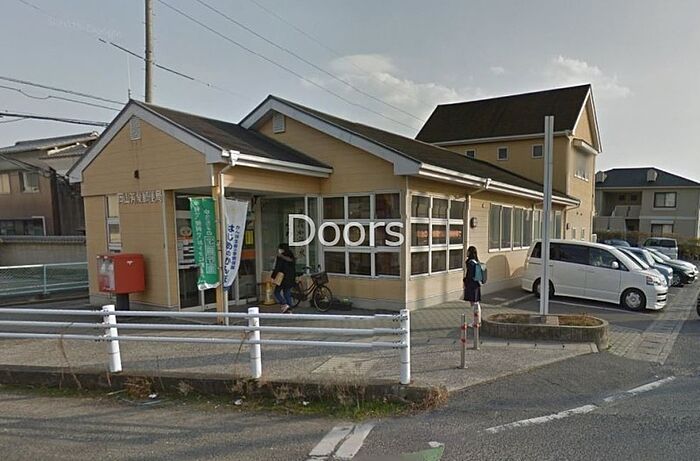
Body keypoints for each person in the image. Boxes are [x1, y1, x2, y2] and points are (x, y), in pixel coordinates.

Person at [271, 243, 296, 313]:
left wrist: (273, 276)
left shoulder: (280, 257)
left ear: (282, 249)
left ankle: (285, 304)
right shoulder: (291, 255)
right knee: (287, 292)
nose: (278, 250)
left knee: (276, 292)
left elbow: (278, 267)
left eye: (279, 248)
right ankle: (289, 308)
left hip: (282, 278)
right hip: (290, 277)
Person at [464, 246, 482, 326]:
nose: (467, 252)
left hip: (471, 285)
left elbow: (469, 275)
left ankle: (476, 322)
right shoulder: (476, 261)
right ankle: (478, 321)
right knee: (476, 303)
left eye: (468, 251)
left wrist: (465, 281)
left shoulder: (470, 263)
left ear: (470, 252)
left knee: (474, 304)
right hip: (476, 284)